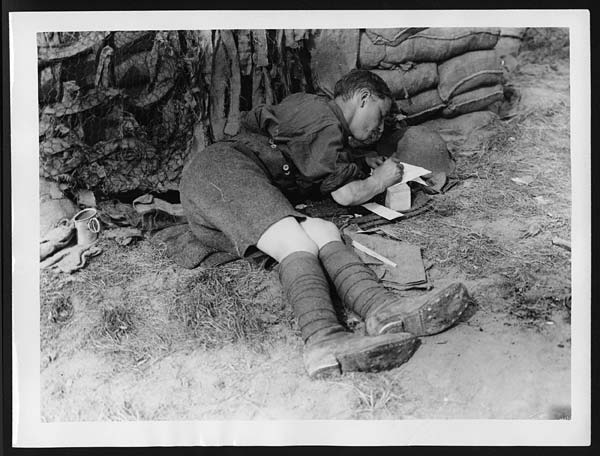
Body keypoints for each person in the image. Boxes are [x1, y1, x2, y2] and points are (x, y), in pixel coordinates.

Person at [180, 69, 469, 379]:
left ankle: (383, 310)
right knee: (296, 242)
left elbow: (308, 157)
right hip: (221, 171)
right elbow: (346, 195)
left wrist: (359, 162)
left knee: (323, 231)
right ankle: (323, 339)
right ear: (363, 98)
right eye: (380, 115)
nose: (380, 127)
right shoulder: (325, 120)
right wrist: (380, 180)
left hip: (234, 181)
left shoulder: (319, 116)